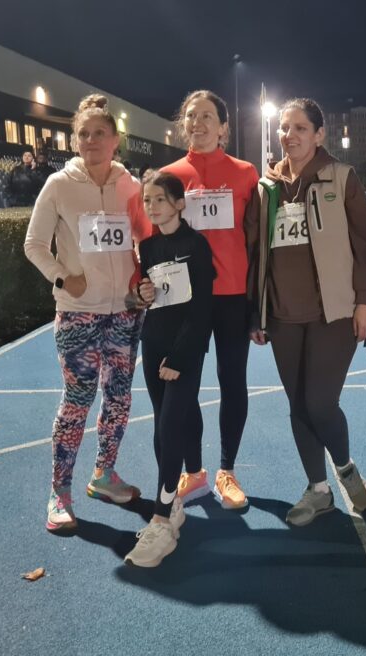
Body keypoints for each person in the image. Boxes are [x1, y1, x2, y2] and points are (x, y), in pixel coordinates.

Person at [23, 94, 153, 533]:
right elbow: (34, 245)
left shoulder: (130, 185)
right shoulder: (59, 185)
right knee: (77, 400)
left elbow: (145, 240)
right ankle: (59, 492)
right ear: (75, 140)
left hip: (125, 313)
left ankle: (104, 475)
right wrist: (63, 278)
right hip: (79, 313)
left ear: (116, 140)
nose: (92, 140)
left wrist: (142, 280)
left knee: (119, 400)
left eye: (100, 133)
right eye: (84, 134)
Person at [251, 98, 366, 526]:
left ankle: (345, 468)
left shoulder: (341, 178)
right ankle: (318, 489)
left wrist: (365, 300)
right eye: (284, 128)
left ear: (319, 134)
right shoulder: (266, 188)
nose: (290, 136)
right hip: (284, 314)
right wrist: (257, 312)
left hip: (333, 312)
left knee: (320, 402)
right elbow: (257, 252)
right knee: (298, 405)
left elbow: (364, 245)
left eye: (300, 128)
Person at [161, 90, 260, 509]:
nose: (197, 123)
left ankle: (227, 470)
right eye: (190, 116)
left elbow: (257, 240)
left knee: (232, 381)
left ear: (223, 127)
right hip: (185, 299)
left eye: (207, 116)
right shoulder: (168, 175)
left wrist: (259, 304)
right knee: (184, 384)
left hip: (233, 295)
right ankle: (195, 471)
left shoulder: (246, 173)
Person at [124, 171, 215, 567]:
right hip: (154, 343)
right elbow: (142, 297)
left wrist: (180, 358)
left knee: (170, 426)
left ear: (179, 204)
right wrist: (140, 294)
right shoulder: (147, 247)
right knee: (162, 426)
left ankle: (161, 520)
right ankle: (172, 502)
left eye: (160, 199)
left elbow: (202, 308)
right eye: (147, 201)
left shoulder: (197, 245)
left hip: (185, 352)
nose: (152, 206)